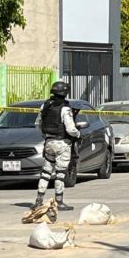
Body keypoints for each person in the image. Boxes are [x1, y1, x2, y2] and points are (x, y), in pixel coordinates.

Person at [30, 81, 80, 211]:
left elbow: (38, 123)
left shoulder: (45, 105)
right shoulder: (65, 109)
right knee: (60, 173)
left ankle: (39, 200)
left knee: (46, 172)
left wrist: (46, 136)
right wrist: (78, 134)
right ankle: (59, 201)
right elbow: (70, 129)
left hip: (49, 142)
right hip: (62, 143)